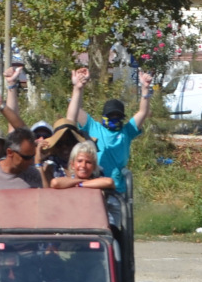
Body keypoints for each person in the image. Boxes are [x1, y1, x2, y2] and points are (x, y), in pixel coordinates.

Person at [63, 66, 154, 195]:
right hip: (93, 188)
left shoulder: (126, 132)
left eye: (117, 117)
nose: (114, 119)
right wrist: (78, 87)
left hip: (117, 191)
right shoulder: (93, 127)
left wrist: (145, 88)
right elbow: (74, 113)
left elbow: (143, 112)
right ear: (104, 117)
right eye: (111, 116)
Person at [49, 141, 115, 190]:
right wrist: (81, 181)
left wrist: (81, 184)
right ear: (72, 165)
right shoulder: (68, 181)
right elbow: (55, 183)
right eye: (80, 161)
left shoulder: (98, 180)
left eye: (88, 162)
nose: (83, 166)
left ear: (94, 166)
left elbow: (109, 182)